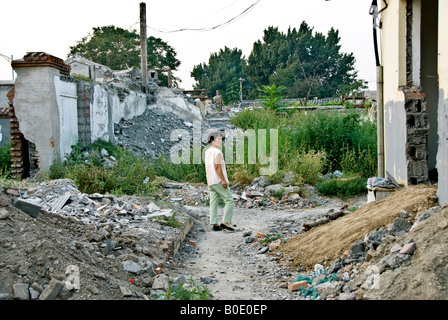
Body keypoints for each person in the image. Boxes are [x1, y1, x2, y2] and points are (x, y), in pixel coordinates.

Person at [204, 131, 235, 231]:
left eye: (221, 139)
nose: (220, 142)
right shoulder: (217, 152)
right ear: (212, 140)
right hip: (218, 180)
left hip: (210, 180)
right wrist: (223, 180)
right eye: (218, 139)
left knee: (213, 201)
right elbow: (217, 166)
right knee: (229, 200)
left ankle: (214, 224)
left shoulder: (207, 151)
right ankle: (225, 222)